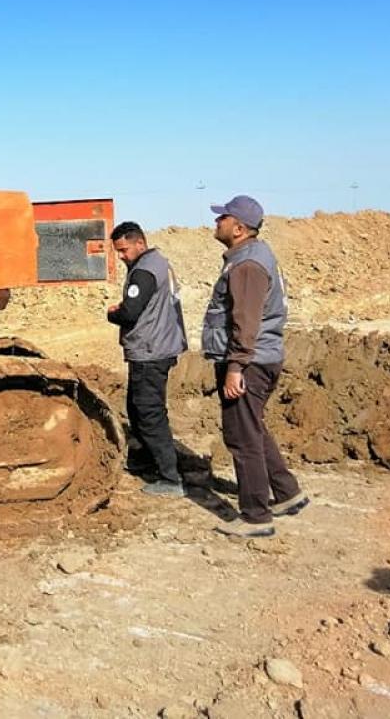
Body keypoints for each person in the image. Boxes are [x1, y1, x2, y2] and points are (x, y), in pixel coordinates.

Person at [202, 195, 309, 538]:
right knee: (253, 428)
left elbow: (245, 322)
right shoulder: (253, 256)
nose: (216, 222)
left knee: (242, 437)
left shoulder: (247, 265)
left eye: (222, 218)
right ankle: (287, 493)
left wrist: (236, 367)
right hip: (259, 357)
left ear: (239, 228)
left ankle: (255, 517)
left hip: (249, 362)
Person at [106, 221, 189, 496]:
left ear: (139, 243)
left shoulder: (144, 271)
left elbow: (130, 312)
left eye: (124, 250)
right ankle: (146, 460)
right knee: (136, 407)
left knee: (149, 412)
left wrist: (113, 313)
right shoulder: (158, 263)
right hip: (156, 347)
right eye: (118, 251)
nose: (121, 256)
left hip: (150, 351)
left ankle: (170, 478)